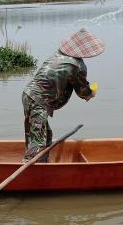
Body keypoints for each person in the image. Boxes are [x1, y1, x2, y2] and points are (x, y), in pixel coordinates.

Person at [22, 28, 105, 161]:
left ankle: (43, 165)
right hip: (38, 100)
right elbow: (83, 92)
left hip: (28, 95)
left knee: (45, 135)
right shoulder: (78, 65)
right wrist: (91, 93)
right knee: (37, 143)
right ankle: (32, 172)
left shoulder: (57, 55)